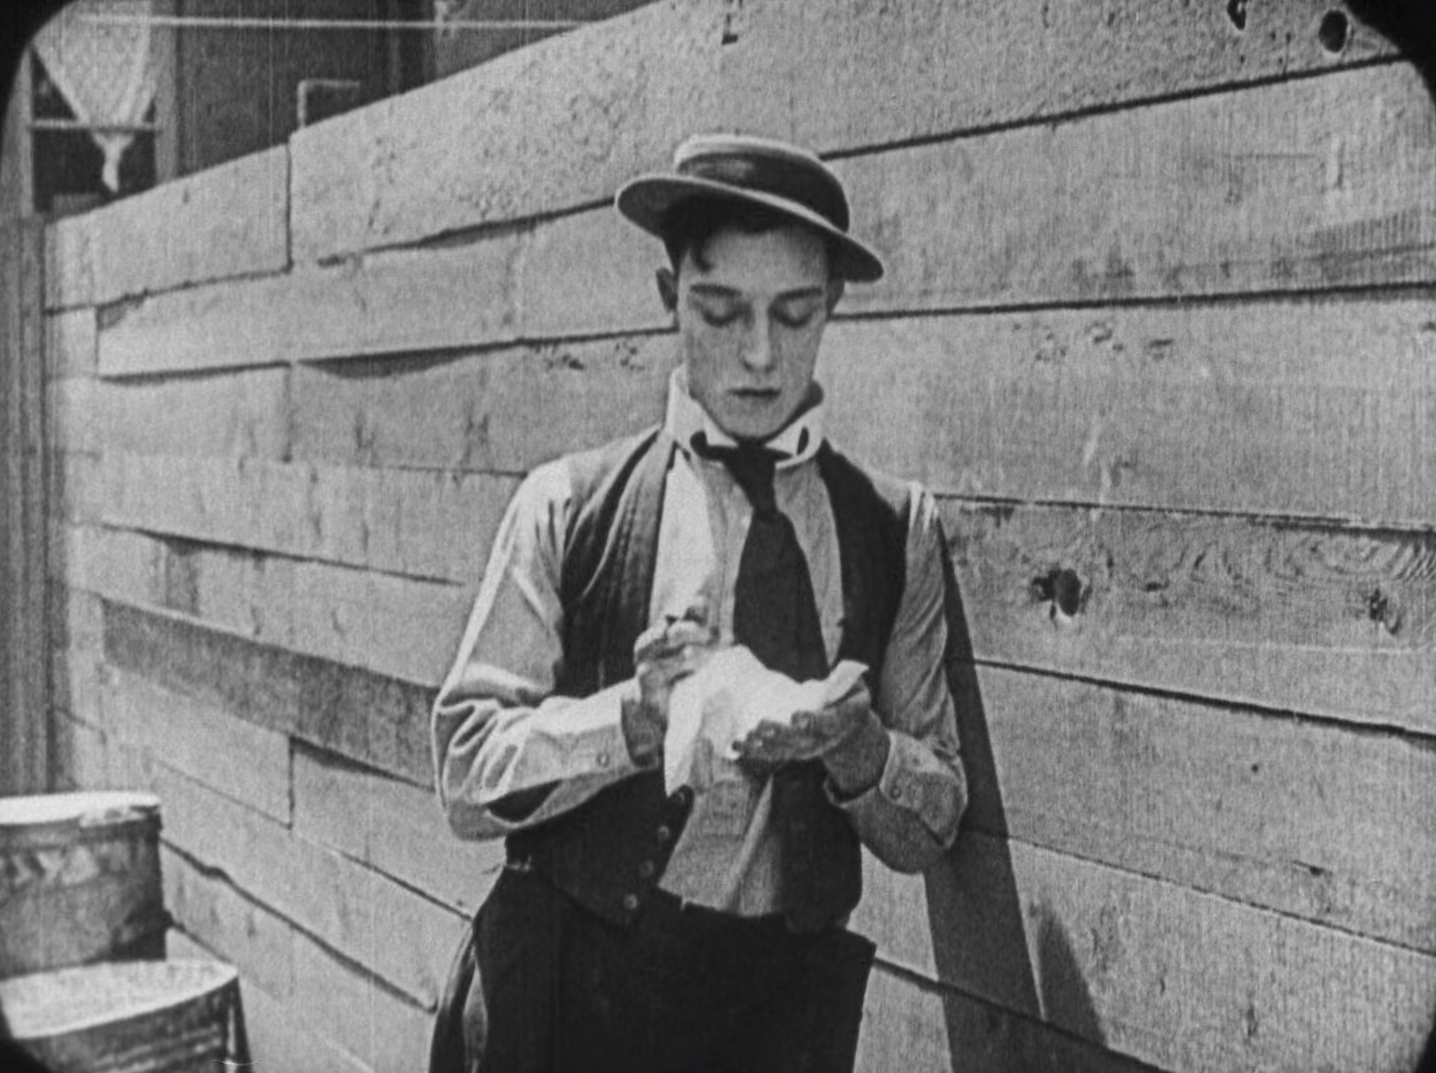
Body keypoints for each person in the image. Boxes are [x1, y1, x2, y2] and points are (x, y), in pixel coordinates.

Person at [428, 133, 968, 1073]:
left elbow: (935, 820)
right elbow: (465, 770)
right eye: (721, 312)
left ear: (833, 305)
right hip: (562, 1006)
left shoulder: (894, 528)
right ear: (669, 295)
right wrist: (628, 724)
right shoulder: (568, 505)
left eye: (794, 314)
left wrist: (860, 751)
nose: (760, 354)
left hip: (772, 1026)